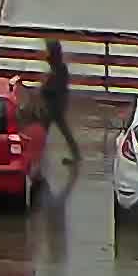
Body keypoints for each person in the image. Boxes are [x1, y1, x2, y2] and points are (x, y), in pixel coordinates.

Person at [40, 38, 82, 178]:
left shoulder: (59, 68)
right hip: (55, 105)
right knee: (57, 130)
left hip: (54, 106)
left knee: (45, 130)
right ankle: (75, 154)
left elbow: (55, 87)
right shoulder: (58, 66)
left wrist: (44, 88)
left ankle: (39, 156)